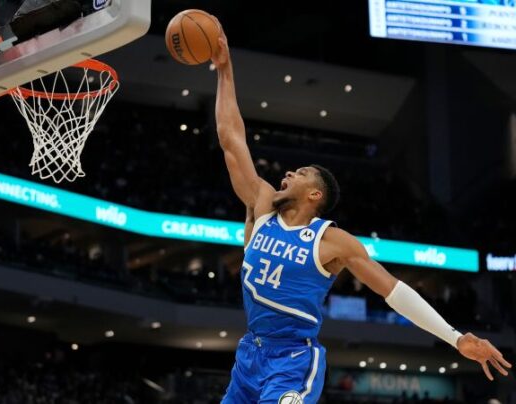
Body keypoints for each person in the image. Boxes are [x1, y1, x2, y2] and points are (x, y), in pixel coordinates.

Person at [211, 23, 512, 404]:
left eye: (299, 173)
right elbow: (229, 136)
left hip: (292, 360)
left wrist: (456, 337)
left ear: (315, 193)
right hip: (248, 356)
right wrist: (224, 68)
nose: (287, 173)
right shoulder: (262, 204)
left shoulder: (331, 240)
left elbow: (393, 290)